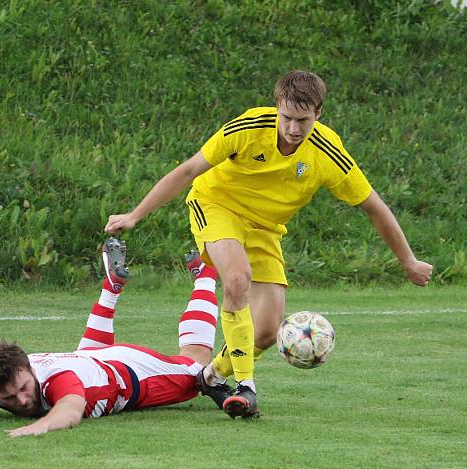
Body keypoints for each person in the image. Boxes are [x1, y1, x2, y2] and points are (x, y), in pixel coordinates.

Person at [105, 70, 433, 419]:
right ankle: (246, 388)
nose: (293, 128)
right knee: (235, 279)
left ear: (318, 114)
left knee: (265, 331)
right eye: (287, 117)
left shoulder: (327, 153)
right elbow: (189, 171)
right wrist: (135, 214)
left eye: (303, 120)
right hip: (217, 205)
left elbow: (374, 206)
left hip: (265, 229)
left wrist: (408, 260)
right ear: (277, 107)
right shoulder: (247, 129)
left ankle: (211, 376)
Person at [0, 238, 228, 437]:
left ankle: (206, 274)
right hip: (89, 359)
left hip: (130, 373)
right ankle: (111, 286)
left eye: (22, 388)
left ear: (29, 370)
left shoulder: (60, 380)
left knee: (197, 363)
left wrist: (40, 425)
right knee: (89, 356)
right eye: (8, 398)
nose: (20, 400)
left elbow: (71, 411)